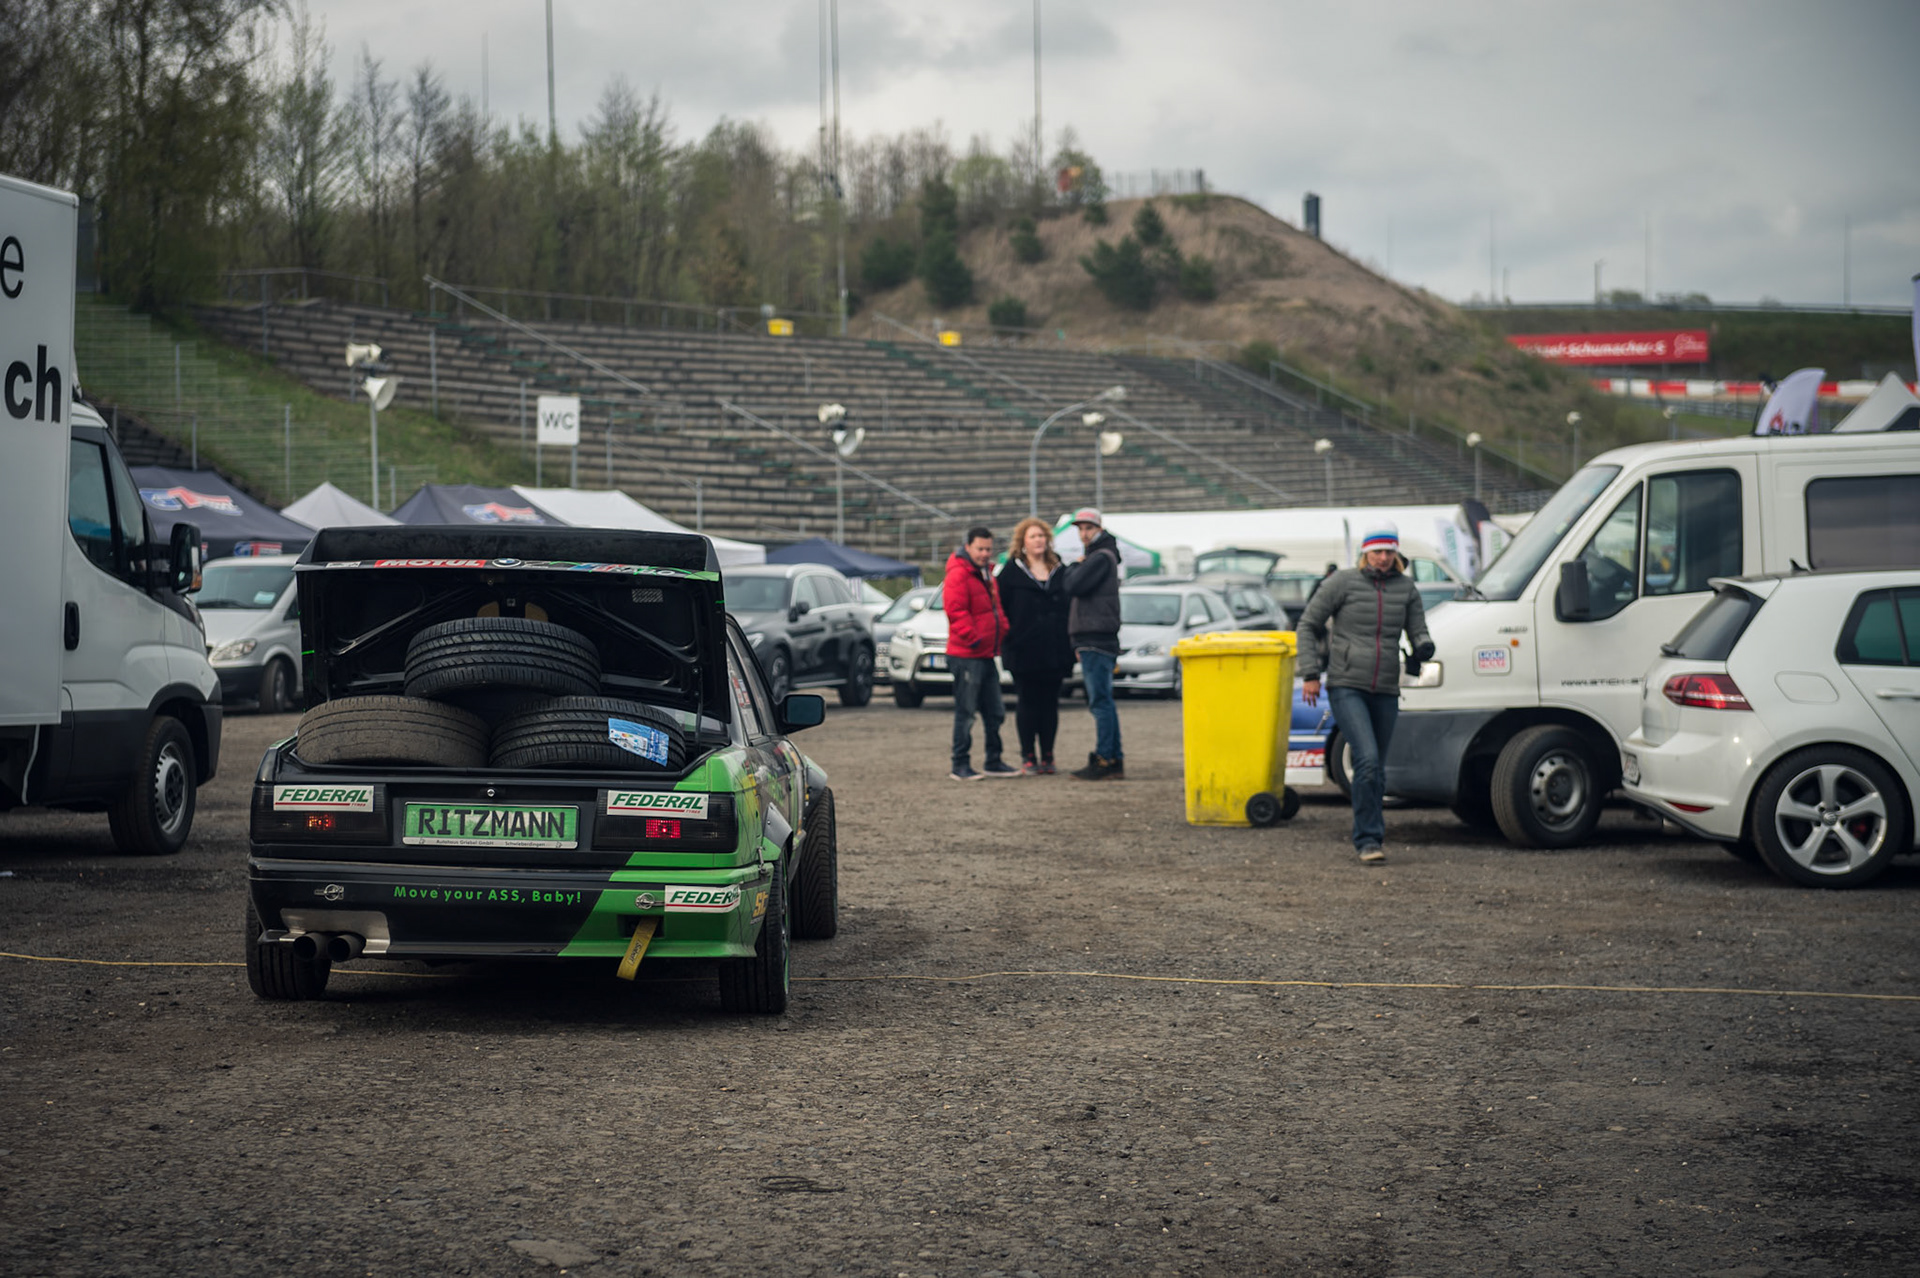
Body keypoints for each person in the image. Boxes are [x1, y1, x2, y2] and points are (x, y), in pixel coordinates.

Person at [1296, 522, 1434, 864]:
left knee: (1376, 768)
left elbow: (1418, 629)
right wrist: (1310, 673)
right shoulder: (1342, 582)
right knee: (1367, 759)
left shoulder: (1406, 588)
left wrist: (1423, 646)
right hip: (1346, 685)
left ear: (1396, 553)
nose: (1383, 558)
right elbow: (1308, 625)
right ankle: (1368, 840)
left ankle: (1373, 835)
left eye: (1389, 551)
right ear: (1365, 552)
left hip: (1386, 687)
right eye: (1377, 551)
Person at [999, 516, 1074, 775]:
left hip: (1055, 650)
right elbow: (1002, 609)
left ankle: (1048, 754)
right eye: (1033, 536)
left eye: (1042, 535)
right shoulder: (1011, 573)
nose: (1038, 540)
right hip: (1023, 650)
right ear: (1023, 542)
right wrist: (1010, 638)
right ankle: (1028, 754)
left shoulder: (1060, 569)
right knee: (1028, 702)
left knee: (1050, 703)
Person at [942, 525, 1017, 781]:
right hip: (967, 655)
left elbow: (996, 608)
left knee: (995, 712)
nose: (985, 553)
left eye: (988, 549)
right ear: (968, 547)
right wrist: (974, 639)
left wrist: (1002, 630)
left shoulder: (986, 573)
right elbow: (955, 610)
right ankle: (960, 764)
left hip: (985, 654)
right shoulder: (958, 574)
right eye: (980, 549)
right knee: (966, 712)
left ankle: (993, 761)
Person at [1061, 507, 1124, 780]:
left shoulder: (1099, 558)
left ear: (1099, 529)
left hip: (1095, 637)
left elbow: (1072, 585)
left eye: (1089, 528)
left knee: (1100, 702)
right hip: (1097, 637)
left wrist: (1074, 566)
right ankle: (1112, 758)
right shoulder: (1103, 555)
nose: (1084, 533)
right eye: (1081, 529)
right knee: (1103, 701)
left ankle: (1105, 758)